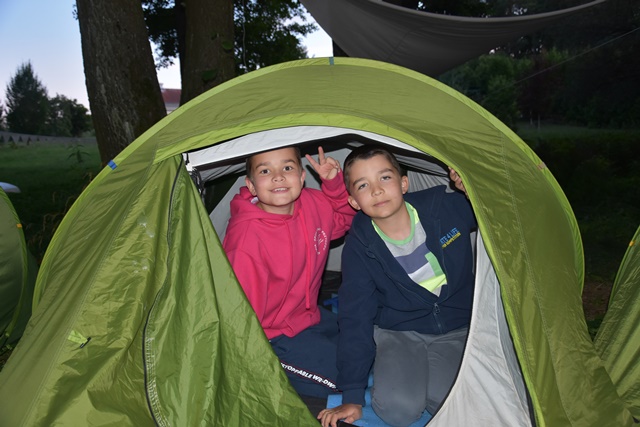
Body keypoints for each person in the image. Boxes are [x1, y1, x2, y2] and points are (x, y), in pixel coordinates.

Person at [318, 145, 476, 427]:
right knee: (396, 411)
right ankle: (402, 370)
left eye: (385, 178)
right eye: (363, 185)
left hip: (456, 328)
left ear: (404, 183)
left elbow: (500, 213)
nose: (377, 190)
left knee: (453, 401)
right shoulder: (360, 247)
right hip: (399, 331)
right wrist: (352, 395)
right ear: (354, 201)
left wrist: (473, 190)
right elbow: (355, 316)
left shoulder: (444, 209)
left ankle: (434, 382)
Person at [222, 145, 356, 399]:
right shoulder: (245, 242)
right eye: (265, 171)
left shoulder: (313, 203)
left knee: (364, 345)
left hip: (308, 315)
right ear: (251, 186)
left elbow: (346, 219)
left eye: (287, 167)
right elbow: (241, 317)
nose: (278, 177)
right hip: (270, 336)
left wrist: (334, 185)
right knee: (346, 378)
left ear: (302, 177)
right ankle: (271, 372)